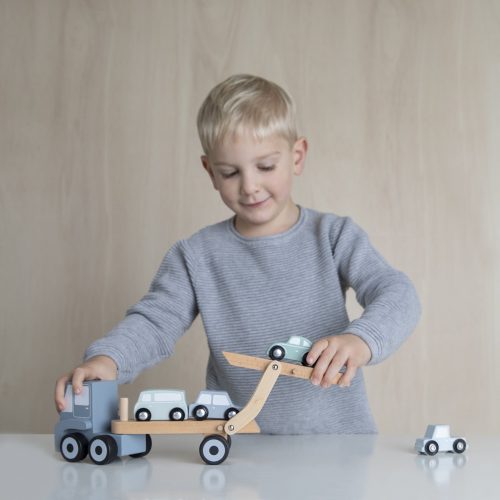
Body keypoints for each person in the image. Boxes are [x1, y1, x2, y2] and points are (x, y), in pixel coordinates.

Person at [54, 74, 420, 434]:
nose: (249, 186)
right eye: (230, 172)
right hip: (238, 451)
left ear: (297, 156)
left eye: (265, 166)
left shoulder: (334, 236)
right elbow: (155, 321)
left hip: (338, 447)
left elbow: (397, 293)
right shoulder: (196, 255)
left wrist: (361, 340)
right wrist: (109, 359)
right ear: (210, 171)